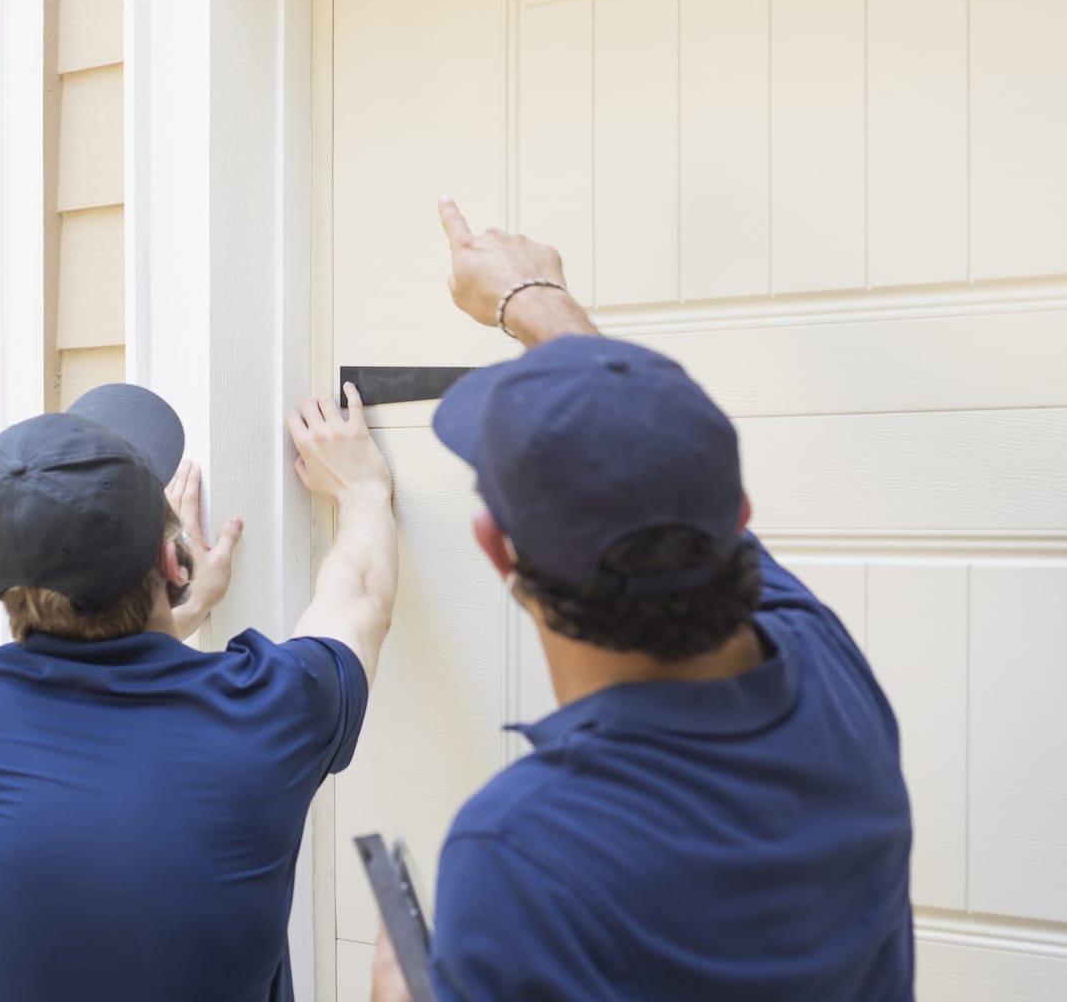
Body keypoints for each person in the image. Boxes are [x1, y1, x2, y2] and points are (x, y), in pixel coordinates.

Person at [371, 200, 915, 1000]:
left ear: (496, 551)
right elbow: (643, 448)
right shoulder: (830, 683)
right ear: (737, 522)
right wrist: (536, 298)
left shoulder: (524, 854)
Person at [0, 380, 398, 1001]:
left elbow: (82, 676)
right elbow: (359, 601)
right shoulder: (267, 712)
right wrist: (363, 490)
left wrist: (184, 608)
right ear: (174, 564)